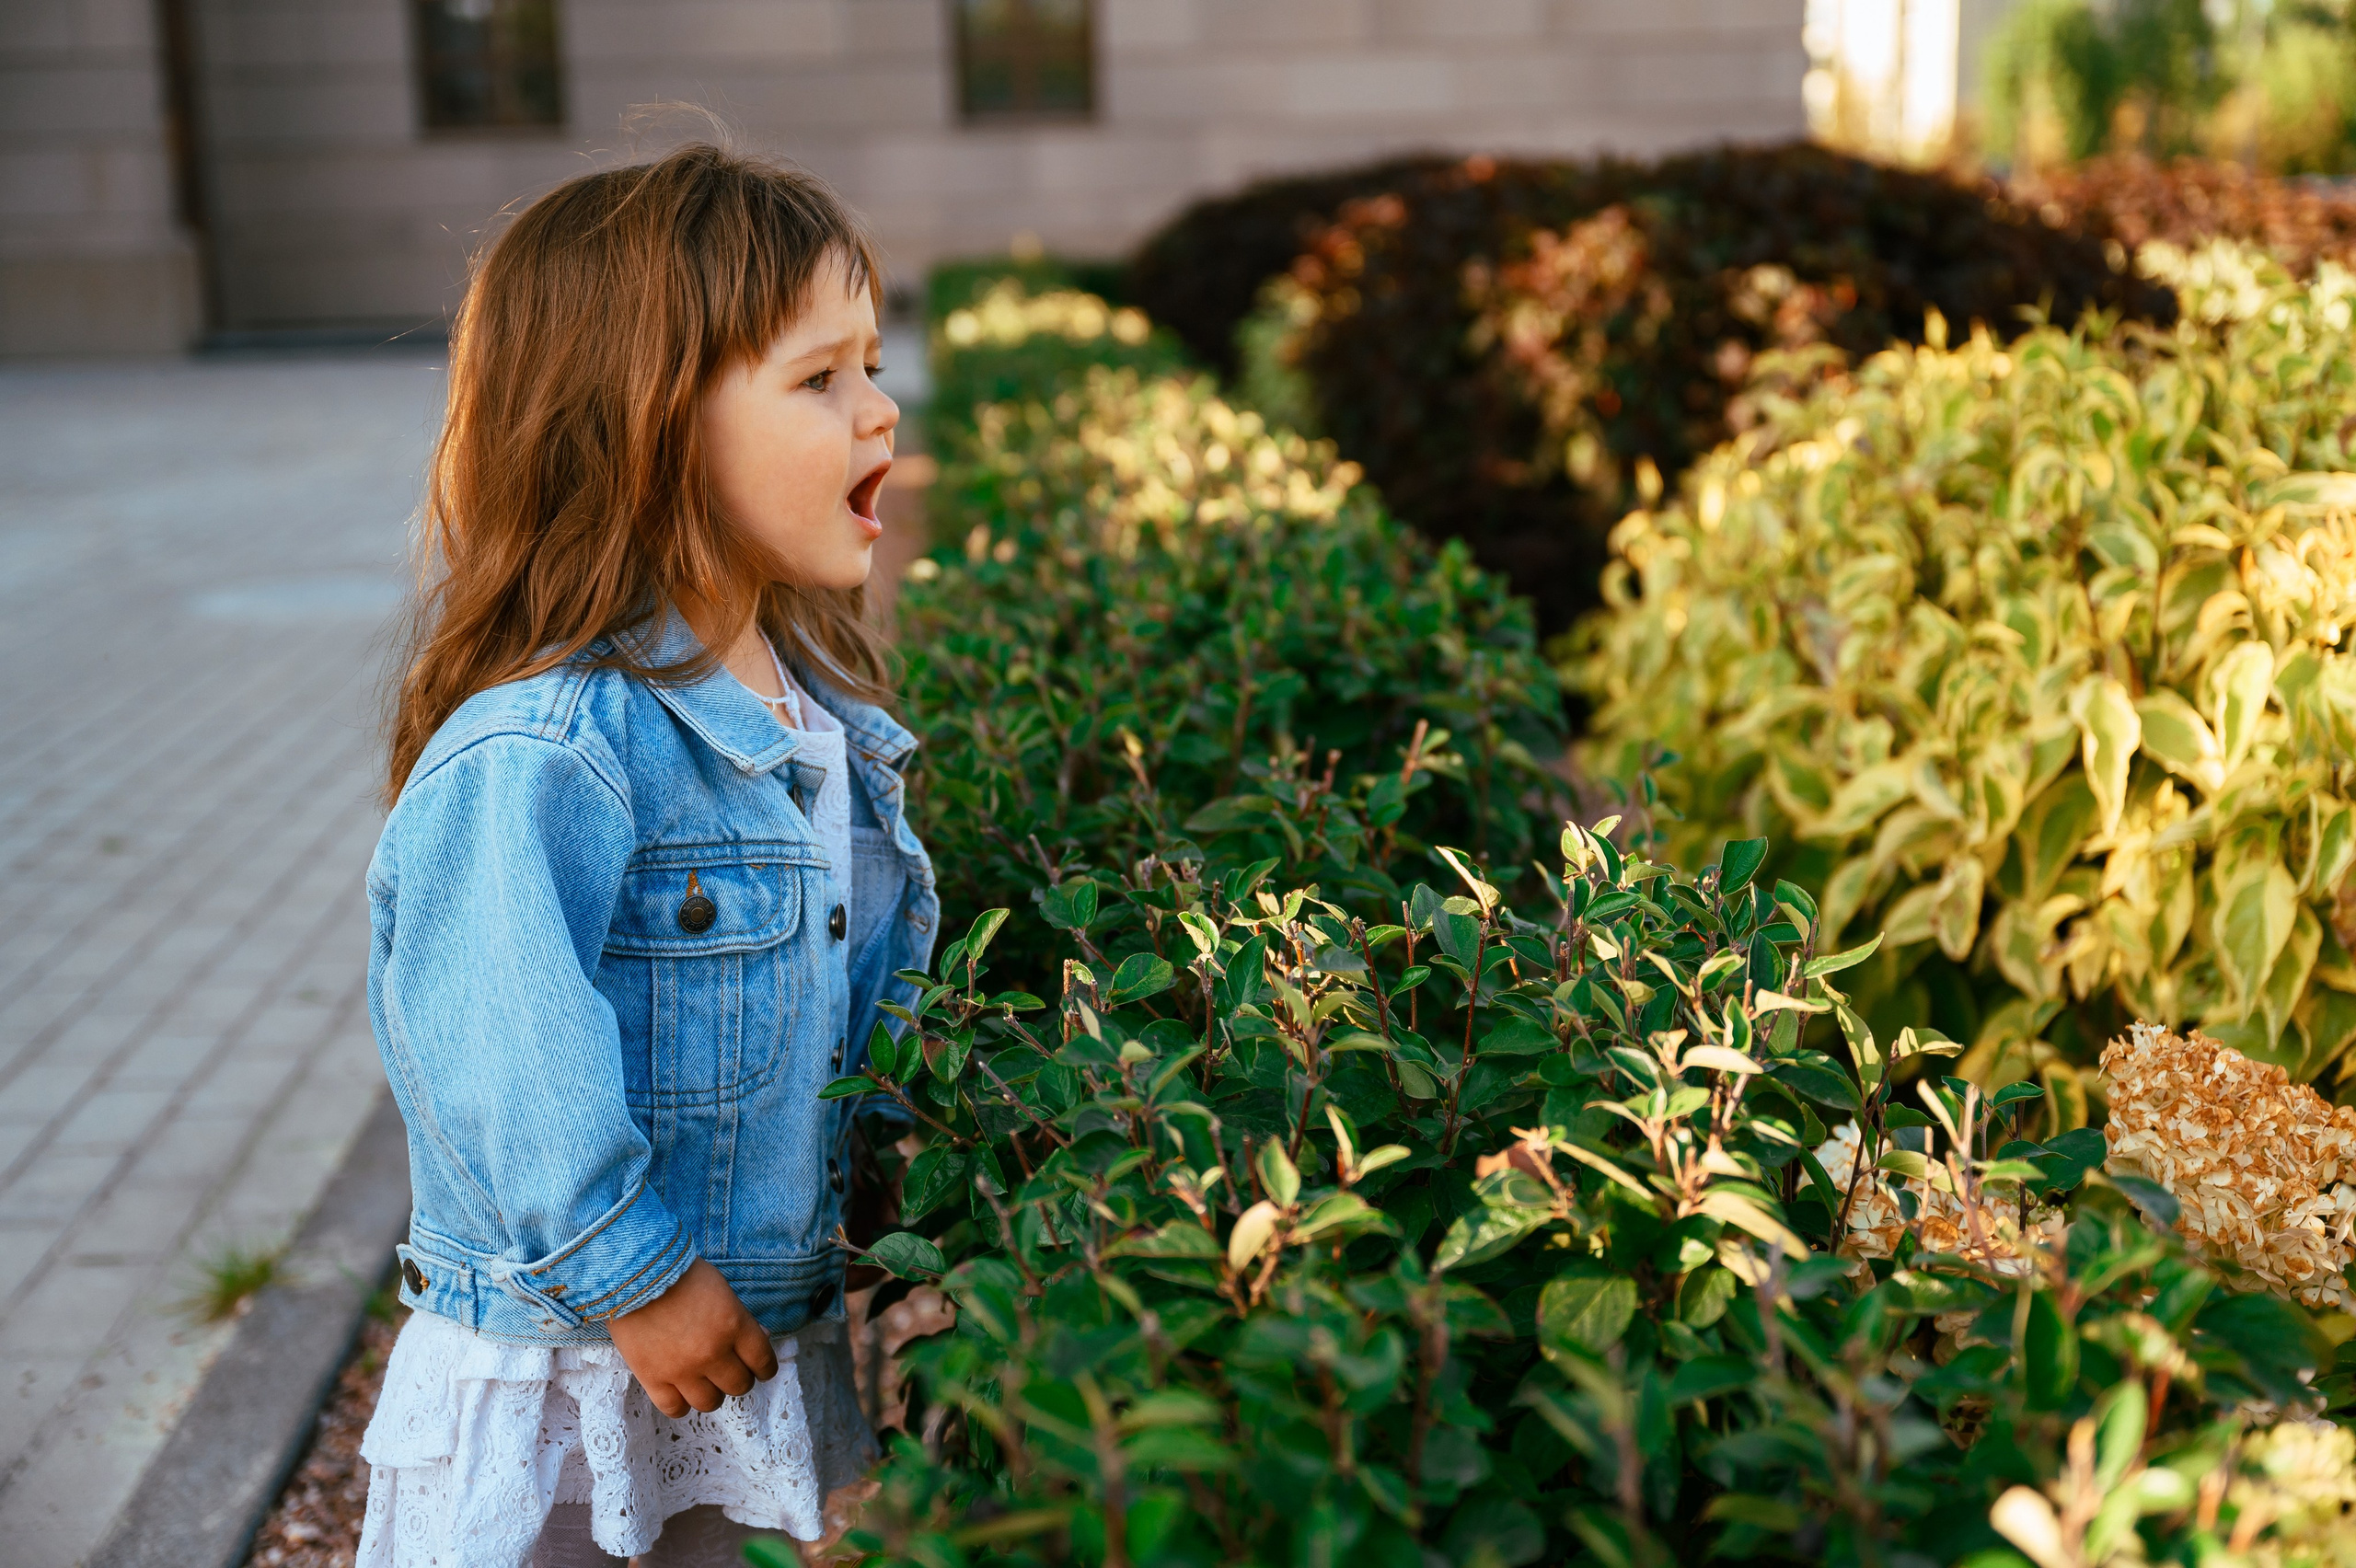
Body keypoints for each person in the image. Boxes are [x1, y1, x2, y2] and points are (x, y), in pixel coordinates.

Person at [353, 144, 935, 1567]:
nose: (880, 408)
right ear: (652, 425)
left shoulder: (823, 729)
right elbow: (499, 1041)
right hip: (573, 1357)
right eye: (821, 379)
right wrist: (635, 1273)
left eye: (872, 362)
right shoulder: (549, 751)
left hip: (728, 1336)